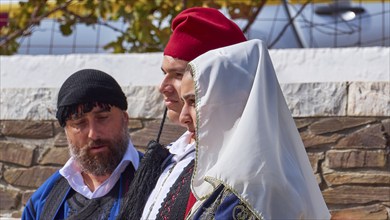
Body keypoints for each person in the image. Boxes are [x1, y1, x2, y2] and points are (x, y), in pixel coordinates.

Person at [118, 7, 247, 220]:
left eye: (178, 74)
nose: (163, 86)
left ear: (217, 83)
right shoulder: (169, 157)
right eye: (164, 73)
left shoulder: (232, 164)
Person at [179, 39, 331, 219]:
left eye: (194, 102)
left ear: (232, 102)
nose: (183, 117)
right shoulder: (240, 181)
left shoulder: (251, 189)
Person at [22, 69, 141, 219]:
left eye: (103, 118)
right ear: (66, 131)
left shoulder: (160, 181)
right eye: (79, 123)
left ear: (125, 118)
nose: (93, 134)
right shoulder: (42, 202)